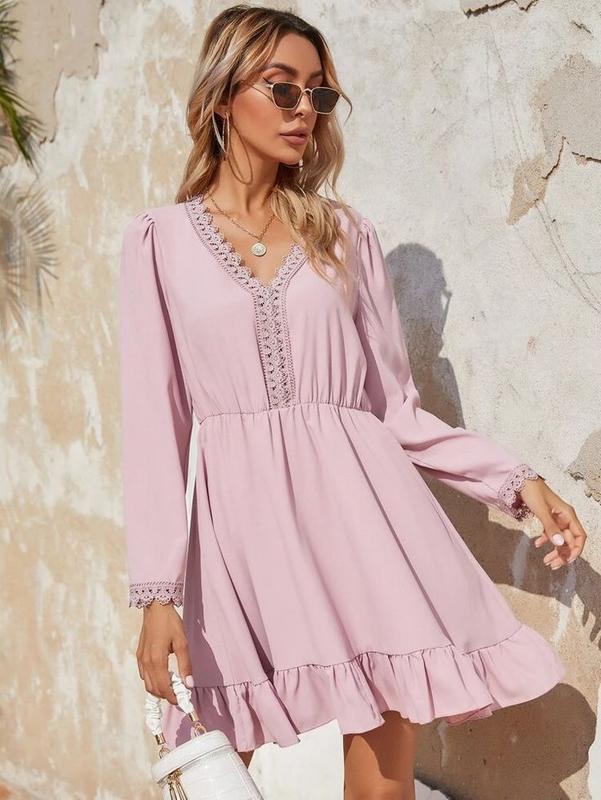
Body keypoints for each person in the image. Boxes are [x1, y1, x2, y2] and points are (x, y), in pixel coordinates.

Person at [117, 5, 587, 798]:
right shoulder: (158, 242)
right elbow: (154, 429)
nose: (304, 109)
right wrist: (158, 594)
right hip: (239, 538)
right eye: (282, 88)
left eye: (319, 94)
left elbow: (393, 410)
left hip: (364, 524)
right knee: (219, 760)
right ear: (222, 96)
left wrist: (516, 482)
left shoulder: (343, 235)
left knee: (380, 775)